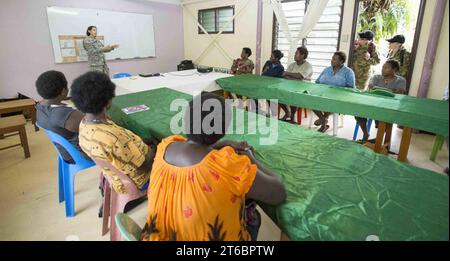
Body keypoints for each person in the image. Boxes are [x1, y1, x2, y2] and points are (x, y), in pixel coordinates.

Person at [140, 92, 286, 241]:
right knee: (253, 216)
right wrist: (251, 158)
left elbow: (195, 147)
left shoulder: (165, 146)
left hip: (157, 237)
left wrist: (222, 144)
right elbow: (278, 193)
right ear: (222, 129)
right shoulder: (227, 165)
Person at [71, 71, 156, 194]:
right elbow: (143, 166)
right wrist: (154, 147)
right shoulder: (115, 138)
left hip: (116, 176)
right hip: (139, 180)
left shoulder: (84, 123)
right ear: (108, 101)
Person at [35, 70, 87, 164]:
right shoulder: (62, 114)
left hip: (63, 151)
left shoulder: (40, 107)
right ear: (63, 91)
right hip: (77, 154)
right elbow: (93, 125)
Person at [355, 60, 407, 142]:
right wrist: (390, 90)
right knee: (358, 112)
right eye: (383, 67)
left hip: (389, 107)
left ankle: (378, 138)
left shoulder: (400, 80)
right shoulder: (377, 77)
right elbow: (371, 87)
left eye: (386, 68)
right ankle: (365, 133)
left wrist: (379, 89)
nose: (383, 69)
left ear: (394, 70)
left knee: (384, 116)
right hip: (373, 104)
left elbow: (399, 93)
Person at [314, 51, 356, 132]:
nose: (332, 60)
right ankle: (323, 119)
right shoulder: (326, 69)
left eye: (335, 59)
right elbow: (317, 82)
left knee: (332, 102)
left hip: (338, 97)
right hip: (323, 94)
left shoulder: (348, 72)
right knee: (309, 99)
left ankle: (323, 123)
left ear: (341, 61)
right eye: (332, 58)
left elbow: (351, 88)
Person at [281, 46, 313, 122]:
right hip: (290, 86)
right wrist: (295, 78)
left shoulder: (308, 66)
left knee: (294, 95)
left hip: (303, 89)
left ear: (302, 55)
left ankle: (292, 117)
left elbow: (300, 76)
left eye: (296, 53)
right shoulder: (292, 65)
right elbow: (284, 76)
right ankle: (287, 112)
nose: (294, 55)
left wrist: (288, 74)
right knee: (278, 93)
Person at [262, 50, 285, 116]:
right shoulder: (268, 62)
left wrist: (266, 73)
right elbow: (263, 72)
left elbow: (275, 78)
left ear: (277, 58)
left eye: (272, 56)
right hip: (264, 84)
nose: (270, 57)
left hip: (273, 87)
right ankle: (262, 111)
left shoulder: (280, 68)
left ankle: (273, 114)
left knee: (272, 98)